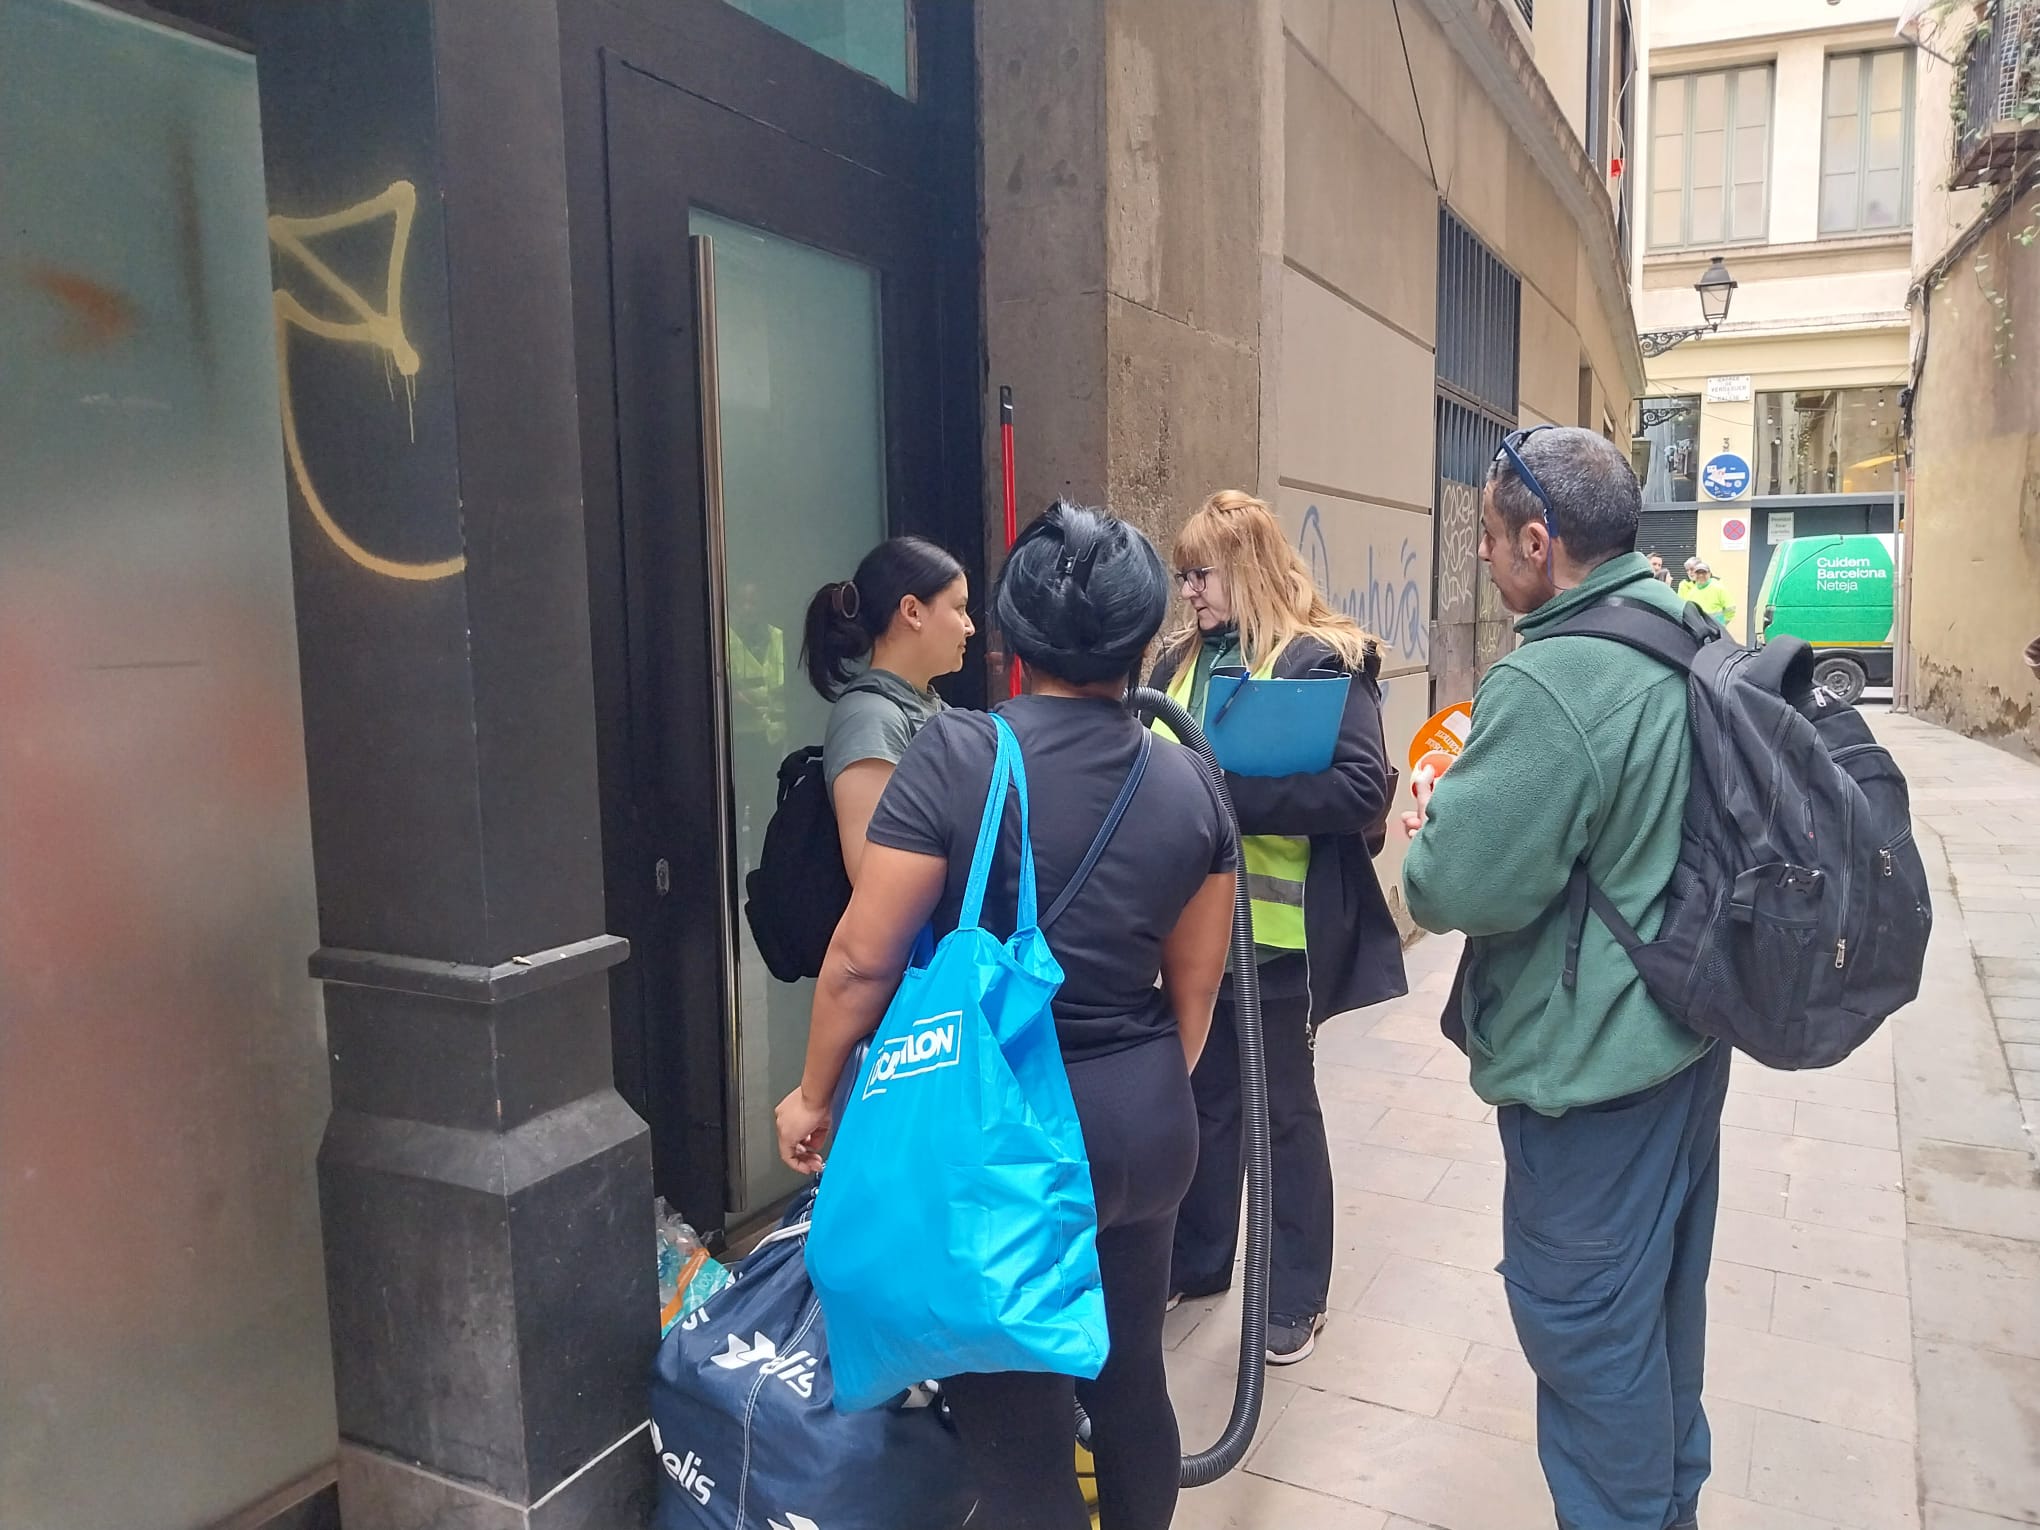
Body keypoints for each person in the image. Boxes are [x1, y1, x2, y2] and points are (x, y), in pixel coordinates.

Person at [776, 503, 1238, 1530]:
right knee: (1129, 1380)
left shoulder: (959, 754)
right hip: (1147, 1124)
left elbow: (859, 959)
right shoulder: (1192, 781)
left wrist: (812, 1094)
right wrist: (1137, 1093)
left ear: (1014, 635)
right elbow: (1196, 990)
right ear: (1143, 633)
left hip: (999, 1138)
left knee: (1024, 1444)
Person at [1399, 425, 1725, 1530]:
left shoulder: (1555, 679)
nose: (1483, 557)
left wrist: (1438, 819)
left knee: (1588, 1337)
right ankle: (1669, 1506)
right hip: (1683, 1043)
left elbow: (1453, 886)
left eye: (1492, 538)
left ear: (1540, 543)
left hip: (1593, 1076)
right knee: (1663, 1312)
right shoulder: (1682, 626)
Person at [1151, 489, 1406, 1365]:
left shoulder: (1320, 659)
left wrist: (1224, 794)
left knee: (1282, 1115)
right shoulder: (1178, 660)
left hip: (1278, 939)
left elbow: (1362, 790)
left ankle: (1295, 1294)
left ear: (1247, 567)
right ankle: (1200, 1261)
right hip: (1187, 938)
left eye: (1200, 574)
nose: (1188, 591)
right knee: (1204, 1102)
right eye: (1182, 576)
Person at [801, 537, 974, 883]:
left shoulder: (926, 705)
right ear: (912, 612)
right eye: (959, 608)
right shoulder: (869, 718)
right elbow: (875, 876)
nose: (969, 626)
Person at [1684, 559, 1737, 627]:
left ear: (1709, 574)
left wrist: (1722, 623)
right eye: (1698, 573)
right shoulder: (1691, 593)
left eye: (1704, 572)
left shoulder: (1718, 588)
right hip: (1701, 630)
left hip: (1717, 629)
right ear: (1695, 574)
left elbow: (1730, 608)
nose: (1701, 575)